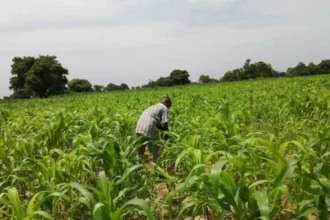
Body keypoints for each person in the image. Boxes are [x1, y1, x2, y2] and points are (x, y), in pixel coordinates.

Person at [136, 97, 172, 162]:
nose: (169, 108)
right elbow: (164, 126)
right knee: (157, 148)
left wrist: (158, 125)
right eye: (169, 106)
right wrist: (168, 138)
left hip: (139, 127)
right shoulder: (164, 108)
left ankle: (139, 167)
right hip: (149, 128)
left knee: (141, 149)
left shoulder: (152, 107)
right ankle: (157, 167)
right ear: (167, 103)